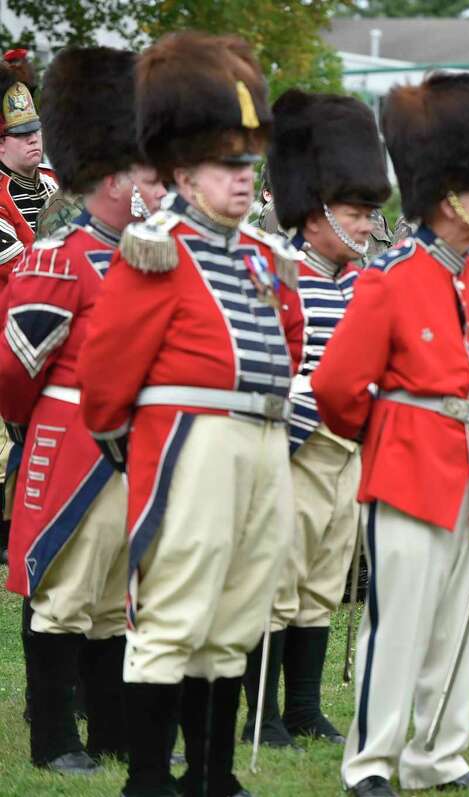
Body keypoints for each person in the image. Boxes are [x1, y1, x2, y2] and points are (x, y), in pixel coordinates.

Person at [78, 31, 295, 797]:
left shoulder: (261, 257)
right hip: (191, 439)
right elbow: (105, 376)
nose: (244, 179)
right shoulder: (155, 248)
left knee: (236, 614)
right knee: (175, 613)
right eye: (226, 164)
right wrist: (135, 448)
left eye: (248, 163)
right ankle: (147, 777)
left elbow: (287, 346)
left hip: (263, 439)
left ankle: (212, 772)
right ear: (182, 171)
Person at [312, 70, 469, 796]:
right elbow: (336, 386)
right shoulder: (390, 276)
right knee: (396, 629)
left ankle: (439, 755)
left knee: (457, 627)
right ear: (450, 194)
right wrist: (386, 435)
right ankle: (369, 762)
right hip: (405, 467)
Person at [0, 44, 166, 777]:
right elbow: (12, 368)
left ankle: (112, 729)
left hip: (134, 445)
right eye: (147, 175)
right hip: (70, 442)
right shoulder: (59, 256)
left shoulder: (145, 254)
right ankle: (53, 738)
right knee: (64, 593)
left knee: (110, 601)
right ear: (116, 174)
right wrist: (36, 429)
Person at [238, 88, 392, 750]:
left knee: (324, 580)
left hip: (347, 446)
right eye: (356, 214)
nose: (366, 227)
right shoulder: (274, 268)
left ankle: (303, 706)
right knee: (276, 578)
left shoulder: (366, 280)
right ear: (316, 210)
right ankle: (264, 714)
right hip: (291, 442)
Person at [0, 64, 57, 287]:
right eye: (21, 134)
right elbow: (19, 269)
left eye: (34, 130)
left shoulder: (56, 179)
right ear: (1, 144)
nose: (33, 139)